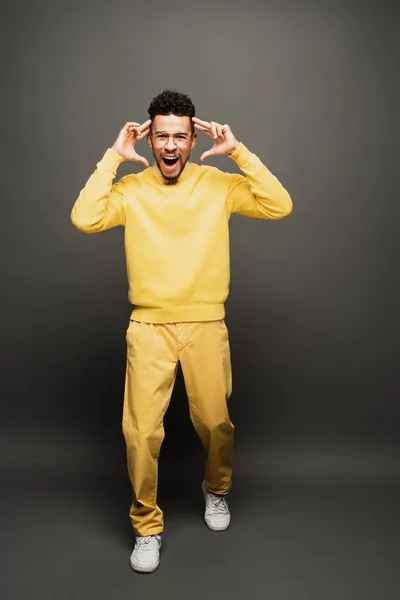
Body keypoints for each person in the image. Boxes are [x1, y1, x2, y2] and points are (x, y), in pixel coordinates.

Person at [70, 89, 293, 573]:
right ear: (149, 140)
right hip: (148, 326)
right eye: (162, 137)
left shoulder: (218, 184)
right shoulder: (130, 190)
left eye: (180, 136)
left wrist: (239, 152)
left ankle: (217, 490)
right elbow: (84, 218)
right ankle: (146, 525)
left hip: (206, 323)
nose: (171, 146)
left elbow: (280, 205)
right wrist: (113, 156)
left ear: (193, 139)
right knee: (141, 433)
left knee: (215, 423)